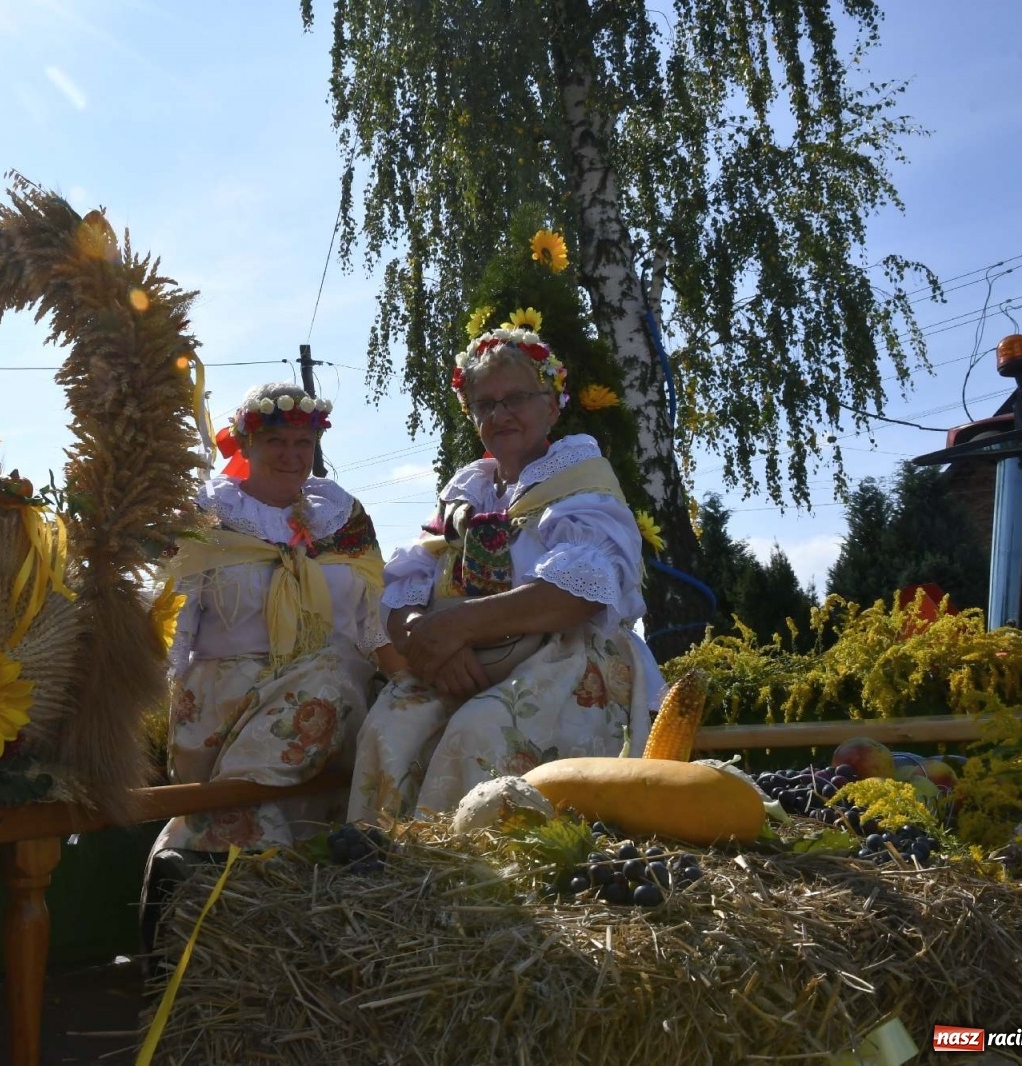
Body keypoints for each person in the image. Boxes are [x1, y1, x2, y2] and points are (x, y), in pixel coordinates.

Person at [348, 321, 663, 824]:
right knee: (388, 729)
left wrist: (458, 626)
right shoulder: (467, 493)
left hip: (563, 654)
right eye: (484, 404)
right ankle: (392, 875)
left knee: (482, 730)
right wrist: (426, 640)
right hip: (462, 657)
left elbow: (576, 595)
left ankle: (482, 878)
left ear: (552, 405)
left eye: (515, 397)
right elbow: (408, 580)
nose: (500, 414)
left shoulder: (579, 482)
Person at [142, 383, 387, 950]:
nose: (291, 455)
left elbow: (371, 622)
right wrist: (142, 709)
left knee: (330, 679)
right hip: (220, 708)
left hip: (321, 699)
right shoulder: (208, 516)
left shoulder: (341, 517)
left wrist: (408, 682)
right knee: (321, 690)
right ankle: (213, 903)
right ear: (245, 445)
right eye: (276, 440)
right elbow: (174, 626)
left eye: (304, 442)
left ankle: (249, 913)